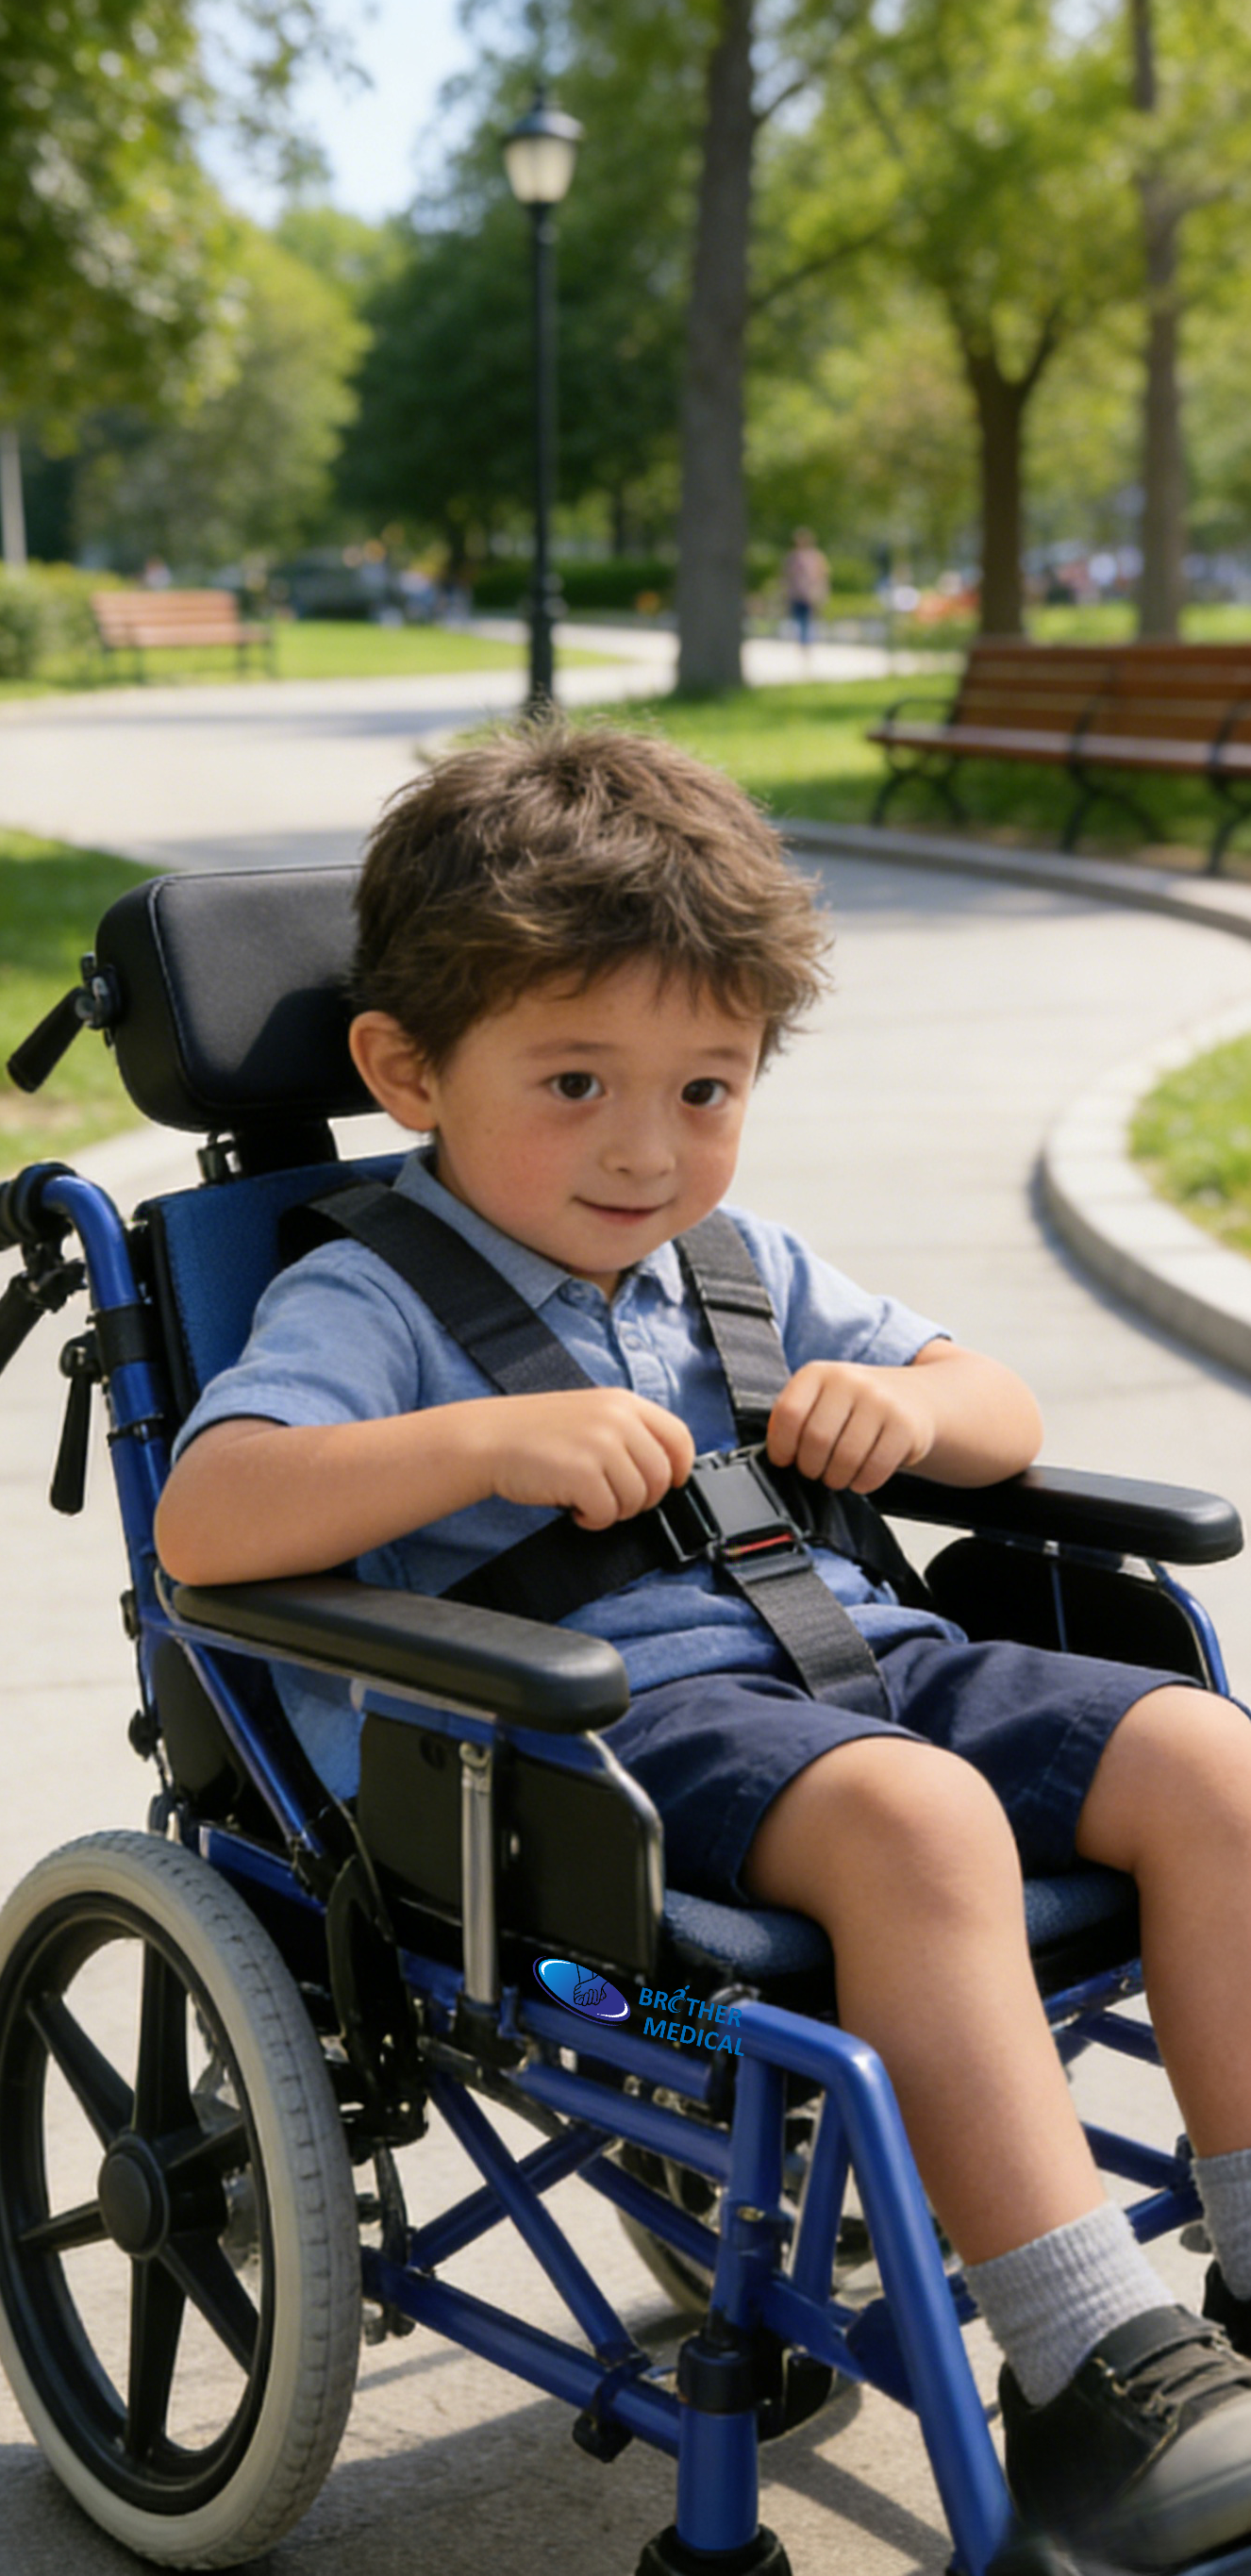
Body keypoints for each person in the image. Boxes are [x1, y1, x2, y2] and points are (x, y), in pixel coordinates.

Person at [156, 721, 1251, 2570]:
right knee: (918, 1824)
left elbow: (996, 1399)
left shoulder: (738, 1261)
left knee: (1216, 1762)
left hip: (862, 1657)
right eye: (575, 1083)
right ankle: (1087, 2372)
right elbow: (210, 1523)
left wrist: (911, 1418)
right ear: (405, 1069)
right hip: (596, 1745)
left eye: (707, 1089)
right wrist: (481, 1444)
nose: (648, 1150)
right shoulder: (369, 1294)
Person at [782, 527, 829, 647]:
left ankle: (806, 643)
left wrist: (821, 590)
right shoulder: (792, 556)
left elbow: (822, 574)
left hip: (810, 593)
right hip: (796, 593)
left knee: (808, 619)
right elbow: (786, 575)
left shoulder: (816, 556)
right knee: (798, 618)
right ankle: (803, 642)